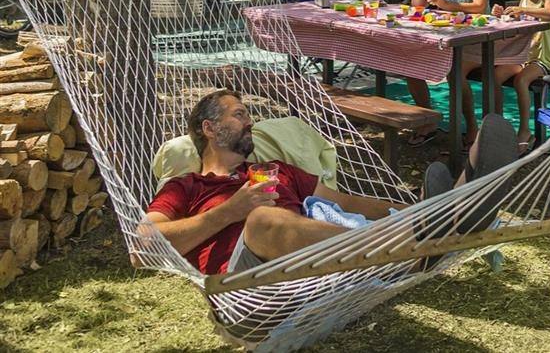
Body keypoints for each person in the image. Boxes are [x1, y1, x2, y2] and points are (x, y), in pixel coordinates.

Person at [142, 90, 514, 275]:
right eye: (239, 115)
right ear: (209, 128)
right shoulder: (188, 186)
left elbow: (348, 202)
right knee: (262, 220)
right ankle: (420, 240)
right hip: (250, 282)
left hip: (321, 266)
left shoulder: (277, 169)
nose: (250, 121)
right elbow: (142, 247)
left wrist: (418, 209)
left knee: (310, 214)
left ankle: (449, 210)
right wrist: (230, 211)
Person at [405, 0, 489, 147]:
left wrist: (446, 5)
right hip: (445, 38)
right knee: (409, 65)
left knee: (454, 70)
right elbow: (418, 6)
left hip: (477, 38)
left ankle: (472, 128)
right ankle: (427, 120)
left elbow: (480, 6)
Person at [491, 0, 550, 153]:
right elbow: (519, 22)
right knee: (495, 76)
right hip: (524, 55)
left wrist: (523, 10)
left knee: (521, 81)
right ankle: (496, 126)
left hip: (542, 58)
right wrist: (503, 13)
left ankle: (525, 131)